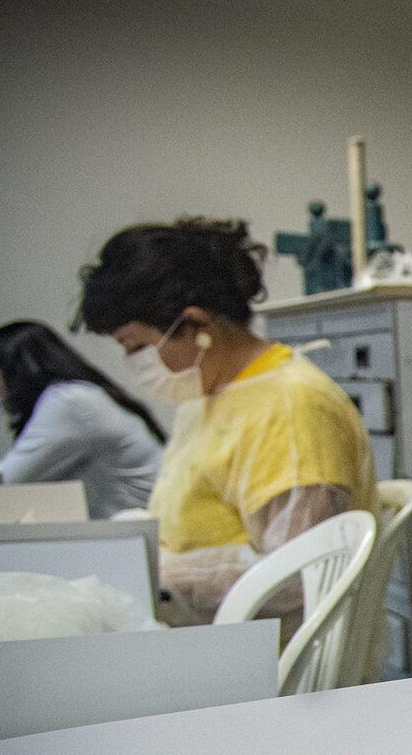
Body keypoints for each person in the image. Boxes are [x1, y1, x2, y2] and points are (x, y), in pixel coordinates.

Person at [74, 217, 376, 624]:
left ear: (196, 323)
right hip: (205, 631)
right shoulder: (210, 396)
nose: (134, 365)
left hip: (263, 654)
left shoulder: (290, 407)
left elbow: (297, 581)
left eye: (137, 346)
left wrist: (161, 574)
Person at [0, 320, 164, 519]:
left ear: (15, 369)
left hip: (142, 535)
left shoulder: (69, 402)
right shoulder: (79, 395)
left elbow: (2, 483)